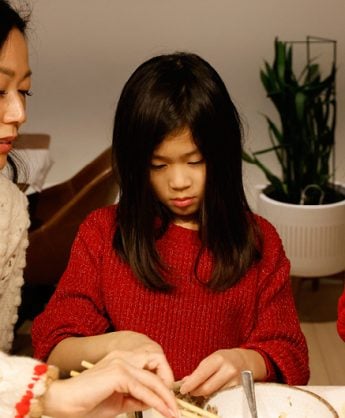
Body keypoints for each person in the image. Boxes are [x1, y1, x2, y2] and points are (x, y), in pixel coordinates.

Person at [32, 52, 310, 395]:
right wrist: (115, 346)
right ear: (135, 165)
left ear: (222, 156)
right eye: (158, 165)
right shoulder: (103, 233)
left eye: (195, 161)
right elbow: (52, 347)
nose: (179, 181)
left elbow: (292, 356)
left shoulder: (259, 240)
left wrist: (245, 361)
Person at [0, 1, 178, 417]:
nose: (20, 113)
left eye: (24, 91)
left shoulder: (8, 210)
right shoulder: (103, 233)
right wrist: (53, 397)